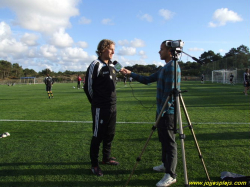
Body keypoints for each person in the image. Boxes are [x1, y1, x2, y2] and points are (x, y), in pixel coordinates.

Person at [120, 40, 180, 187]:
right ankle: (165, 165)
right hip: (161, 111)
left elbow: (170, 95)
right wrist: (130, 73)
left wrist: (164, 112)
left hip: (168, 113)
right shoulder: (164, 68)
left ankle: (171, 174)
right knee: (163, 140)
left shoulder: (173, 67)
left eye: (161, 49)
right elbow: (147, 80)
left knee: (170, 143)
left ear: (169, 51)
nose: (159, 52)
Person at [84, 39, 119, 177]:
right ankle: (94, 164)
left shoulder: (112, 65)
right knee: (97, 136)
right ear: (103, 48)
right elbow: (88, 88)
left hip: (113, 106)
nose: (113, 52)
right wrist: (96, 102)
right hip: (100, 107)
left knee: (110, 134)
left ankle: (106, 158)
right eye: (111, 49)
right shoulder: (95, 65)